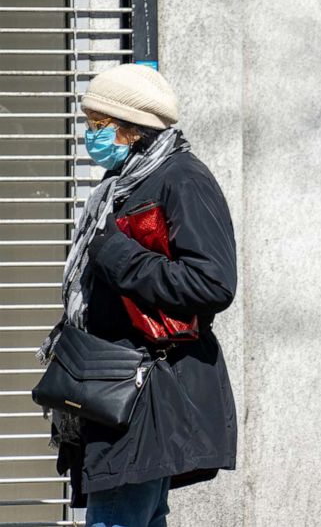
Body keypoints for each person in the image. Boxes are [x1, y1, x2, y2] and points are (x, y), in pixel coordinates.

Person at [39, 64, 238, 527]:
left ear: (132, 128)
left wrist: (116, 254)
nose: (90, 135)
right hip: (113, 390)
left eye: (98, 125)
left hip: (146, 391)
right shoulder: (120, 187)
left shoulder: (181, 179)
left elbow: (213, 283)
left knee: (116, 515)